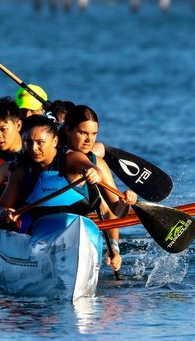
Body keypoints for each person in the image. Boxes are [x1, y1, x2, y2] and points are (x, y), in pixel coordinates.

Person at [59, 104, 137, 275]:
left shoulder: (98, 163)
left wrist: (115, 249)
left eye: (94, 134)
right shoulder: (47, 156)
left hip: (81, 234)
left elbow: (115, 212)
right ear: (68, 130)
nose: (89, 140)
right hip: (45, 233)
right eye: (83, 133)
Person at [0, 115, 104, 233]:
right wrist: (4, 213)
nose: (34, 148)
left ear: (55, 141)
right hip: (38, 231)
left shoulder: (71, 159)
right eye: (29, 142)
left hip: (79, 228)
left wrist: (95, 173)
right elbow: (2, 207)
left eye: (40, 142)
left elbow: (93, 169)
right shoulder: (20, 170)